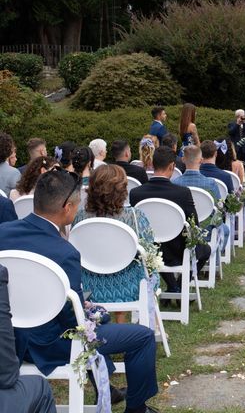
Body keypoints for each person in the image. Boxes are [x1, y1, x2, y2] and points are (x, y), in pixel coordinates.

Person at [0, 168, 159, 413]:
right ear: (67, 207)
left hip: (8, 341)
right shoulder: (65, 252)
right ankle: (137, 409)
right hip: (52, 343)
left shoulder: (3, 233)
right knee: (142, 337)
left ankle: (111, 390)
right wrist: (97, 314)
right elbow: (72, 322)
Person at [72, 165, 154, 322]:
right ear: (122, 189)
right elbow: (149, 250)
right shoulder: (135, 216)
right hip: (128, 283)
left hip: (90, 284)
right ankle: (126, 323)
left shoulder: (80, 218)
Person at [130, 147, 211, 294]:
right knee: (206, 250)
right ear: (172, 166)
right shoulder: (182, 193)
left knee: (157, 246)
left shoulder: (136, 193)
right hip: (178, 251)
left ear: (153, 164)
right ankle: (179, 285)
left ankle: (174, 286)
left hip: (148, 251)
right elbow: (194, 226)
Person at [0, 263, 56, 413]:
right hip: (48, 342)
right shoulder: (67, 253)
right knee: (40, 387)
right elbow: (6, 376)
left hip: (29, 343)